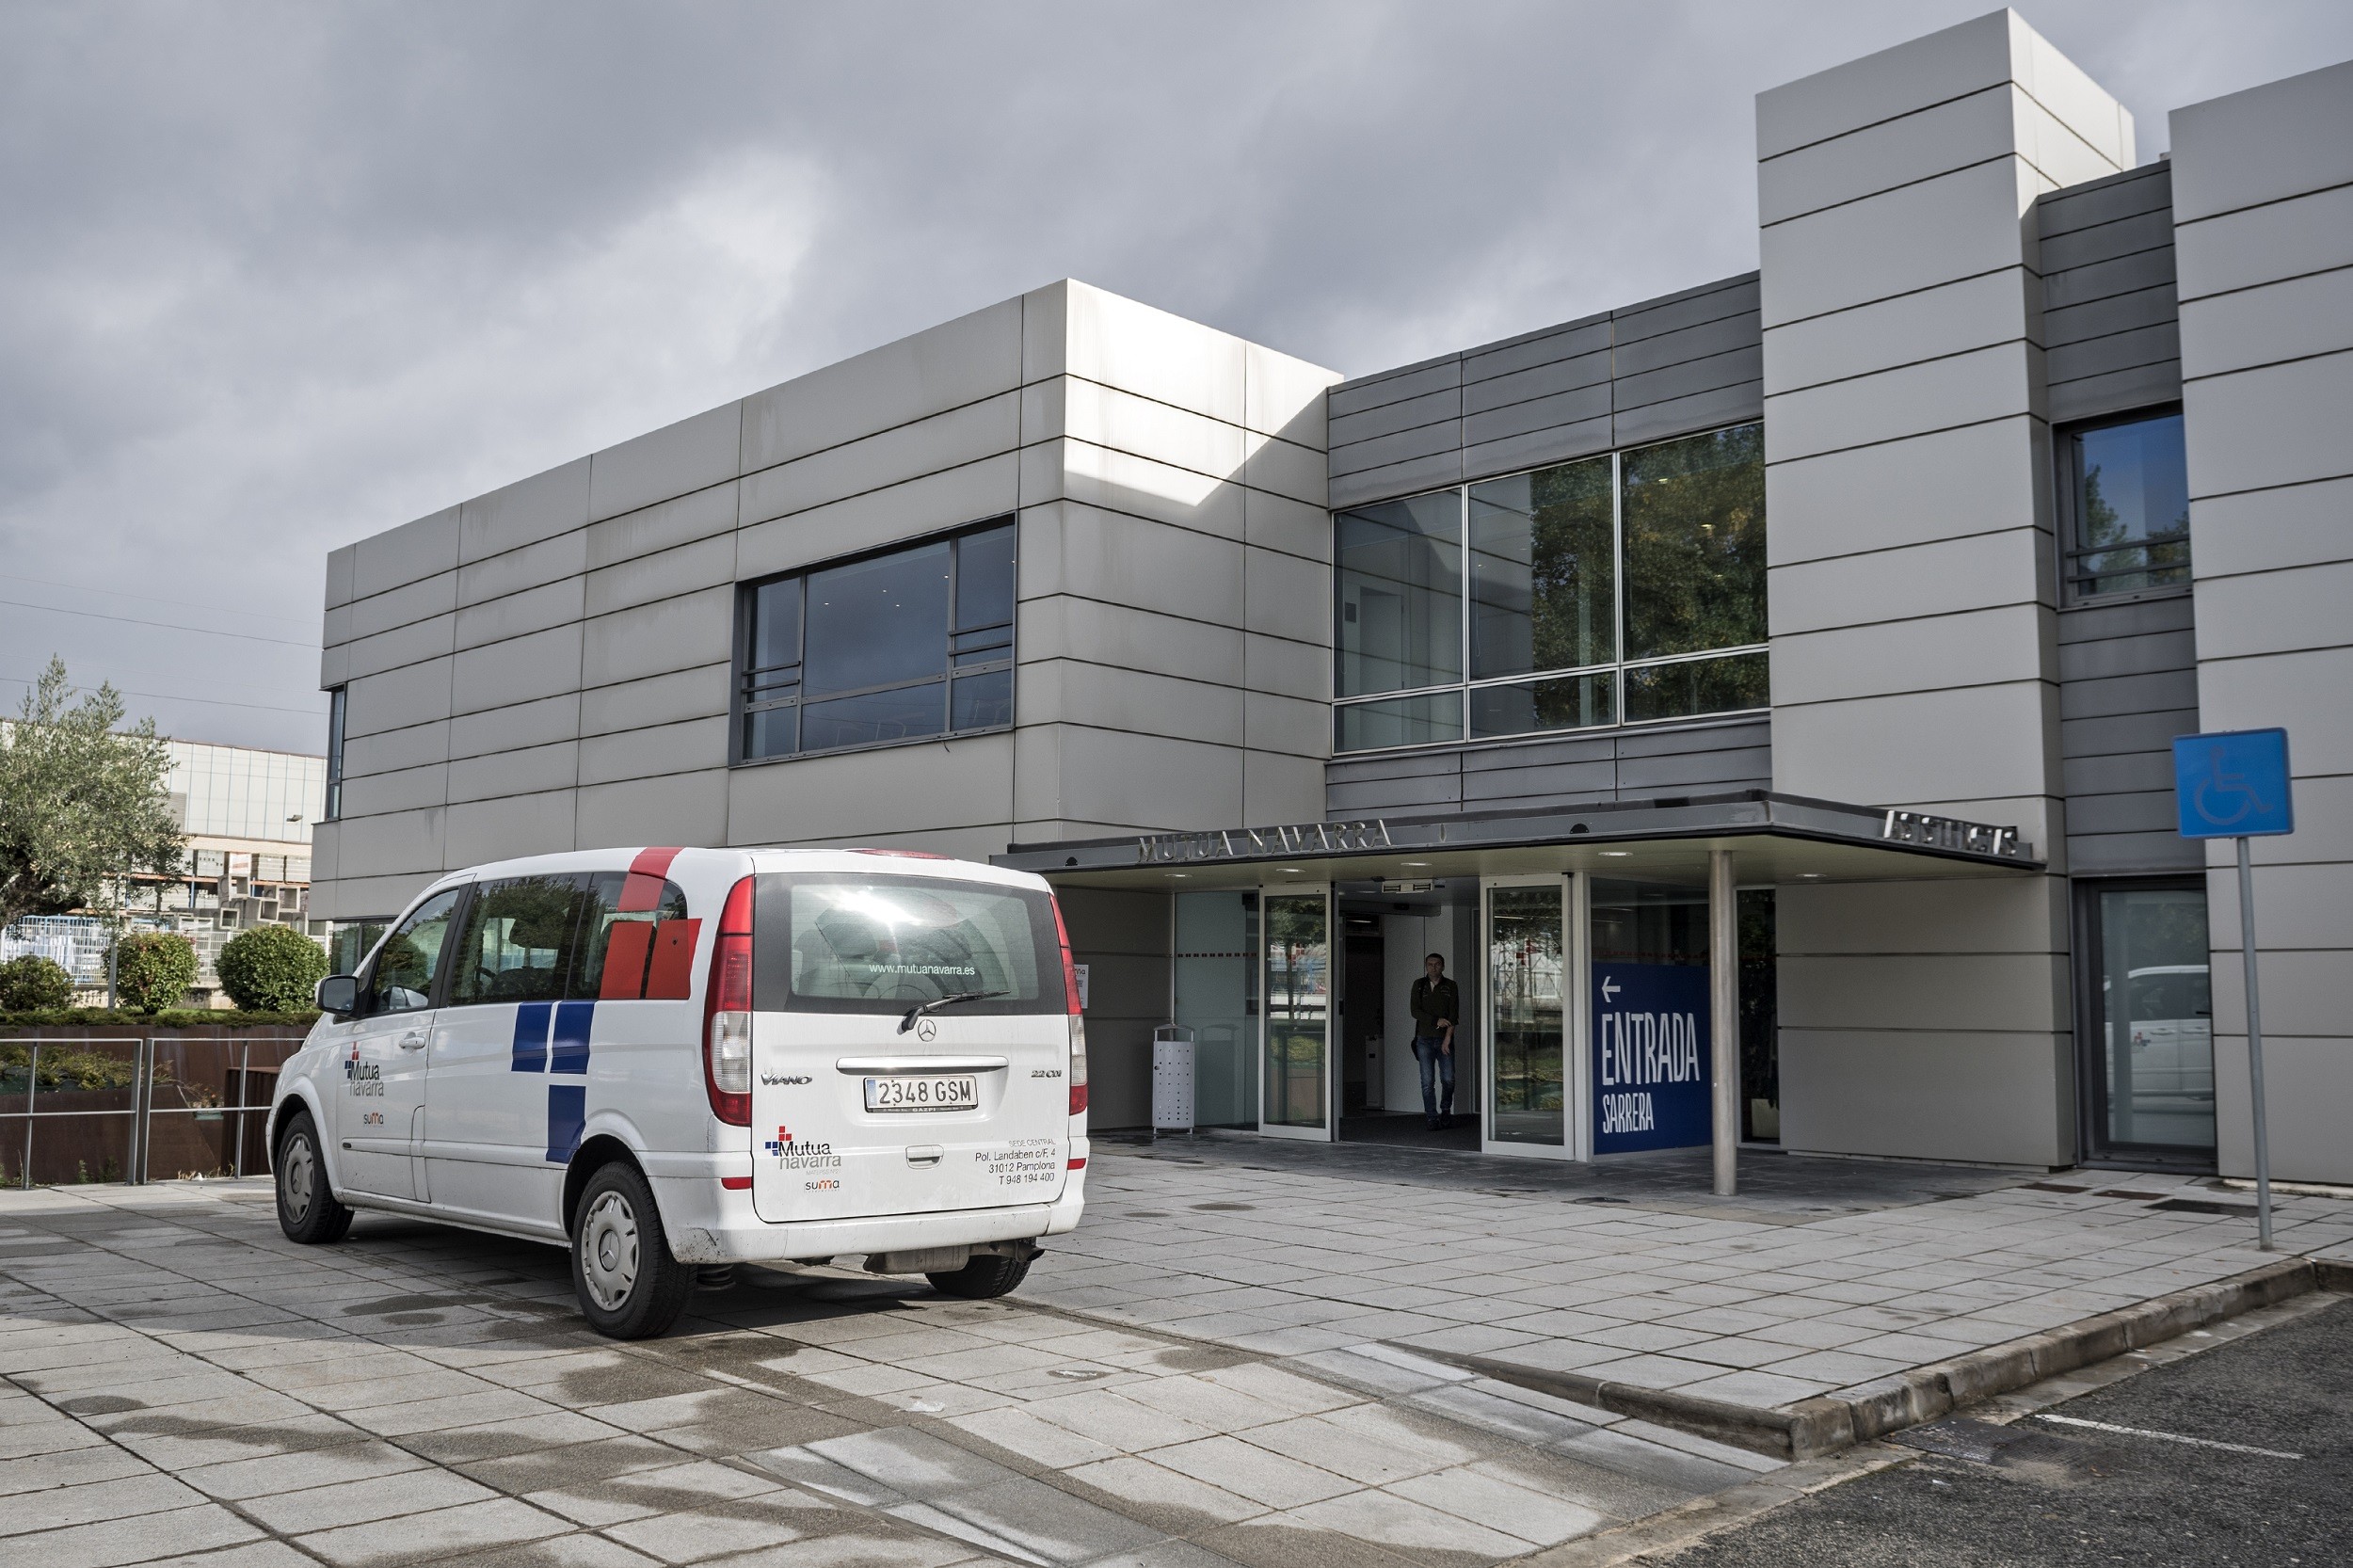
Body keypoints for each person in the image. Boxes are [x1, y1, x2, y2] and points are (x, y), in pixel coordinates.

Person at [1407, 952, 1459, 1130]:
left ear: (1443, 966)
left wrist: (1447, 1038)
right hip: (1424, 1040)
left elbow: (1453, 1015)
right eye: (1430, 964)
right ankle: (1432, 1117)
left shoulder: (1450, 986)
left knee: (1448, 1079)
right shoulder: (1419, 985)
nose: (1433, 967)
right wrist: (1436, 1020)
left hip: (1444, 1040)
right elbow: (1415, 1011)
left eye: (1437, 964)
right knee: (1427, 1082)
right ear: (1426, 966)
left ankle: (1445, 1110)